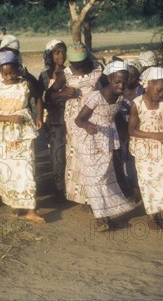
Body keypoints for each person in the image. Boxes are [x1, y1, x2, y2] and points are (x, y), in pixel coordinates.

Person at [0, 35, 43, 205]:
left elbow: (35, 92)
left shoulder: (20, 69)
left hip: (16, 119)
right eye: (7, 50)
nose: (11, 53)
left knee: (14, 156)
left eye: (14, 51)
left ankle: (18, 191)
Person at [74, 60, 134, 232]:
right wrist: (87, 126)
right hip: (90, 139)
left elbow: (117, 117)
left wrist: (124, 134)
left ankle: (105, 214)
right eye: (117, 82)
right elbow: (79, 119)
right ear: (109, 79)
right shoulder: (96, 96)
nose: (121, 85)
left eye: (124, 81)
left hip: (107, 138)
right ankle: (102, 219)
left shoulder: (121, 96)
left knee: (105, 177)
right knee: (94, 179)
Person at [47, 42, 101, 206]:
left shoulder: (98, 70)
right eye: (75, 64)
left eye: (82, 63)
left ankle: (95, 195)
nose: (79, 67)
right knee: (78, 153)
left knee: (94, 152)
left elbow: (108, 88)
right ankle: (82, 196)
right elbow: (49, 95)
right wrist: (62, 93)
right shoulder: (66, 74)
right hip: (74, 118)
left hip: (95, 114)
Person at [128, 67, 163, 231]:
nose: (161, 94)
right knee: (147, 182)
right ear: (148, 85)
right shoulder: (137, 104)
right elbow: (132, 130)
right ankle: (151, 217)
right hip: (144, 149)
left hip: (162, 148)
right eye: (159, 90)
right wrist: (154, 135)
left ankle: (158, 214)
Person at [40, 40, 72, 201]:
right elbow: (42, 100)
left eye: (63, 52)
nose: (61, 55)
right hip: (54, 120)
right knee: (57, 155)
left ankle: (73, 189)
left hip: (72, 119)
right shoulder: (44, 76)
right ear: (50, 55)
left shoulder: (71, 72)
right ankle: (60, 189)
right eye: (56, 52)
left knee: (73, 154)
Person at [115, 59, 143, 202]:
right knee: (126, 161)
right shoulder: (119, 92)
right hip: (122, 132)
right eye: (127, 75)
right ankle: (130, 188)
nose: (129, 78)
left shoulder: (142, 92)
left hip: (140, 131)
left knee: (138, 160)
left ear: (138, 76)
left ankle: (139, 188)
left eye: (133, 75)